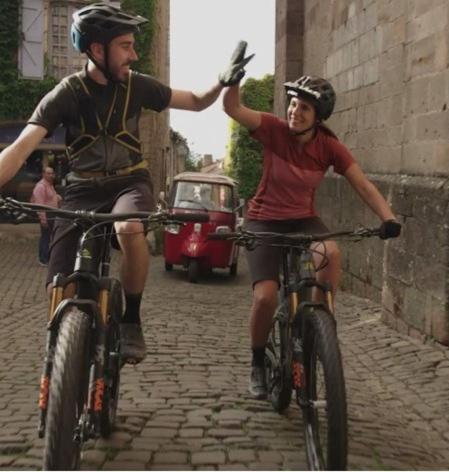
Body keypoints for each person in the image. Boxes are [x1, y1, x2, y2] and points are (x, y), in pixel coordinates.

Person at [0, 3, 251, 364]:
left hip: (129, 183)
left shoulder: (137, 86)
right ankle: (63, 367)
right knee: (58, 287)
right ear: (96, 49)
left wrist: (222, 81)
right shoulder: (66, 93)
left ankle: (131, 318)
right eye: (125, 45)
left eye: (133, 45)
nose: (134, 54)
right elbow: (22, 147)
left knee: (130, 226)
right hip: (81, 189)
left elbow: (195, 102)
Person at [222, 44, 402, 399]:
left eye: (303, 108)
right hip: (264, 221)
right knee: (265, 297)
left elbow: (362, 184)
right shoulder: (273, 129)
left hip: (303, 220)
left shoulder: (329, 147)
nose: (294, 111)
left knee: (331, 253)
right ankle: (258, 362)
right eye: (292, 104)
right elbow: (233, 108)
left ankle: (321, 323)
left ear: (318, 116)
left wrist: (388, 218)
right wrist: (232, 81)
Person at [30, 166, 62, 266]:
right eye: (48, 173)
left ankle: (48, 257)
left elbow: (51, 197)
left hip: (53, 214)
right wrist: (43, 220)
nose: (51, 175)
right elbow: (40, 205)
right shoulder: (40, 186)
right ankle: (43, 259)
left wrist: (57, 197)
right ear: (43, 174)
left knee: (51, 237)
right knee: (45, 237)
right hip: (46, 215)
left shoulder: (50, 185)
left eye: (52, 173)